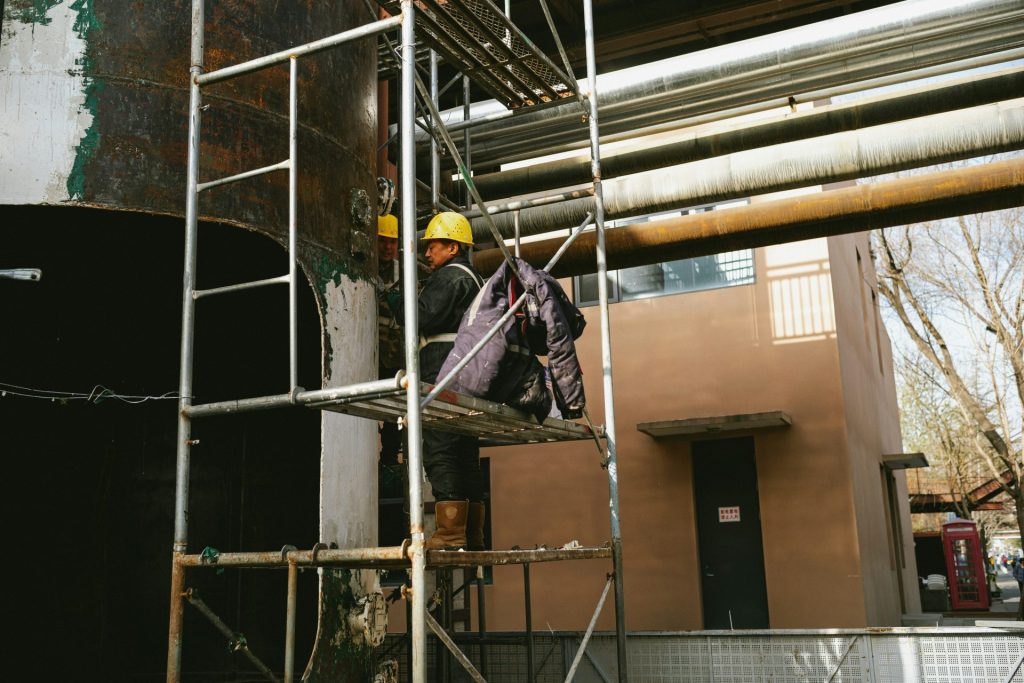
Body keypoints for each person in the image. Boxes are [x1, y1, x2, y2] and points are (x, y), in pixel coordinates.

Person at [389, 212, 485, 550]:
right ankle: (472, 532)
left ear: (453, 247)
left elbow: (422, 316)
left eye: (433, 247)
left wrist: (398, 301)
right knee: (464, 452)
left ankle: (450, 533)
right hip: (465, 372)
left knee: (441, 447)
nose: (427, 253)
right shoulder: (476, 279)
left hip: (441, 369)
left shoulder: (451, 277)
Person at [376, 213, 404, 497]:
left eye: (391, 242)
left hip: (394, 354)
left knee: (395, 411)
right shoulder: (364, 267)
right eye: (383, 241)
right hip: (371, 351)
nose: (387, 247)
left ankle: (388, 460)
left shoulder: (401, 272)